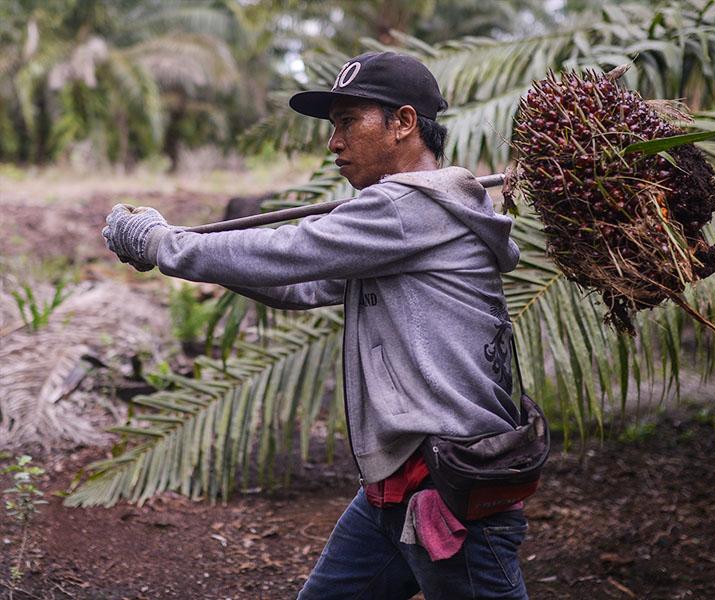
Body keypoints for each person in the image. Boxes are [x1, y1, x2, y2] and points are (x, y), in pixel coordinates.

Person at [102, 51, 530, 599]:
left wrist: (163, 243)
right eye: (333, 128)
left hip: (448, 490)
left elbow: (292, 248)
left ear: (403, 123)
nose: (334, 143)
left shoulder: (407, 210)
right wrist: (180, 248)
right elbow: (298, 282)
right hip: (394, 486)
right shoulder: (398, 222)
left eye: (348, 122)